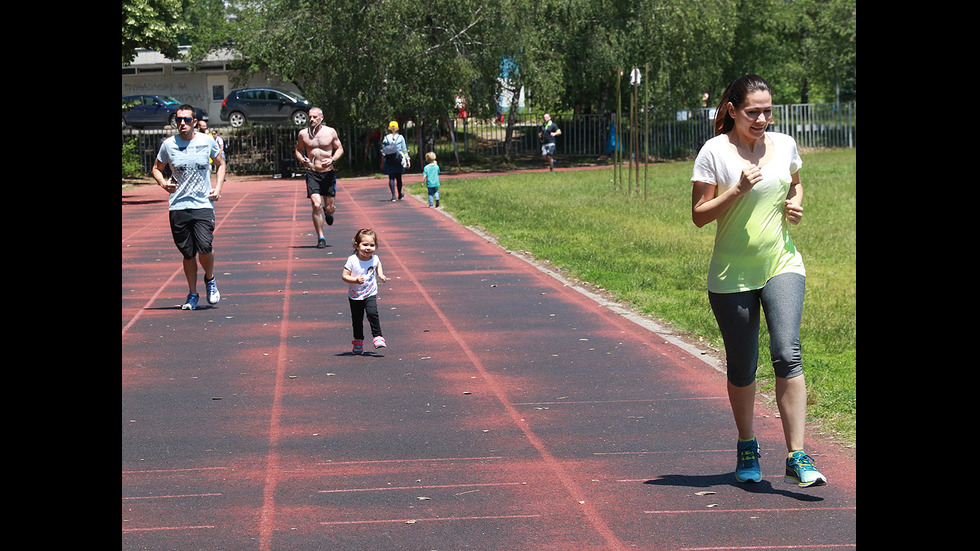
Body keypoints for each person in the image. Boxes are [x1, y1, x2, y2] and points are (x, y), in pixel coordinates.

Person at [690, 74, 826, 488]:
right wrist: (736, 190)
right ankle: (747, 443)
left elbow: (797, 186)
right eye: (753, 112)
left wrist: (796, 205)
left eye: (767, 110)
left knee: (787, 351)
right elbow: (699, 215)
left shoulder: (784, 145)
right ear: (733, 110)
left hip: (781, 263)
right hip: (731, 274)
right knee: (743, 364)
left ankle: (797, 454)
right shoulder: (714, 151)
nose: (762, 118)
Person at [152, 105, 226, 311]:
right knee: (188, 253)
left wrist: (218, 187)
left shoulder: (207, 141)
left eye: (186, 120)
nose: (182, 124)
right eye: (178, 120)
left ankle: (210, 279)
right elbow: (156, 169)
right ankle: (192, 293)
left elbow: (221, 164)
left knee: (205, 246)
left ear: (194, 121)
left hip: (202, 203)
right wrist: (163, 183)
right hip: (178, 205)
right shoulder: (168, 145)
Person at [295, 107, 344, 248]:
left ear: (321, 118)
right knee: (316, 205)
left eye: (314, 117)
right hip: (312, 173)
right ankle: (321, 237)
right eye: (310, 117)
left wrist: (332, 159)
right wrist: (302, 159)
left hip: (328, 173)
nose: (311, 119)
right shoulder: (303, 134)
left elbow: (340, 148)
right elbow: (298, 150)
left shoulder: (330, 132)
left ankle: (328, 213)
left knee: (329, 208)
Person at [342, 228, 389, 354]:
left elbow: (378, 265)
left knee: (372, 313)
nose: (368, 248)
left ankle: (378, 337)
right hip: (355, 295)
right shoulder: (352, 260)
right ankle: (358, 342)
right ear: (357, 246)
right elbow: (344, 276)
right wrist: (355, 280)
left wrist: (381, 275)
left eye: (372, 245)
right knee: (357, 320)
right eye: (365, 245)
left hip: (370, 292)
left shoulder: (375, 258)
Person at [381, 121, 409, 201]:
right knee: (399, 178)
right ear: (397, 128)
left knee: (391, 178)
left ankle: (393, 196)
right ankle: (400, 194)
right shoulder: (400, 137)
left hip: (389, 159)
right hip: (399, 159)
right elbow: (404, 149)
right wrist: (408, 160)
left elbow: (383, 151)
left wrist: (382, 162)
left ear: (389, 128)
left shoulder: (386, 138)